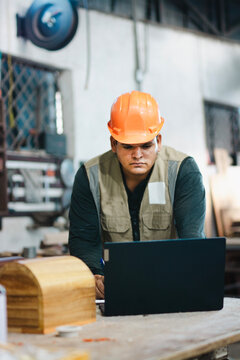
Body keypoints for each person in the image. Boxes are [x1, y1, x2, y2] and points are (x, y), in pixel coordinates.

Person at [68, 91, 206, 299]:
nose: (138, 154)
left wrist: (185, 281)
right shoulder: (90, 175)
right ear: (113, 144)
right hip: (114, 288)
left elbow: (192, 240)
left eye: (146, 145)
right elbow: (84, 239)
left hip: (170, 283)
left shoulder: (182, 171)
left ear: (158, 141)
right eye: (128, 146)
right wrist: (95, 276)